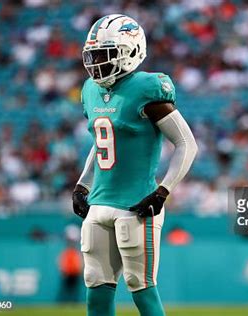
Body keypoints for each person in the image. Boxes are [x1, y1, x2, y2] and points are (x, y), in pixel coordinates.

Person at [72, 14, 198, 316]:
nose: (97, 63)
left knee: (140, 286)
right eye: (94, 55)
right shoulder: (91, 89)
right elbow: (102, 142)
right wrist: (82, 184)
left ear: (130, 50)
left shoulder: (147, 88)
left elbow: (186, 144)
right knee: (96, 287)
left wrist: (163, 191)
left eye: (105, 54)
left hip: (136, 204)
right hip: (99, 202)